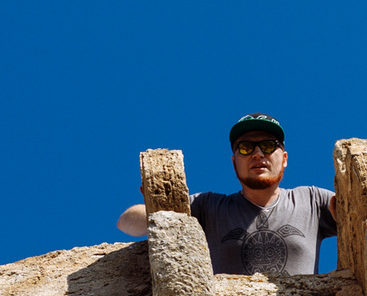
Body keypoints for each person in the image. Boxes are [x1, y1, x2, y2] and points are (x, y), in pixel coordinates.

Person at [115, 113, 339, 275]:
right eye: (245, 147)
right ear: (234, 162)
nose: (258, 153)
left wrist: (347, 211)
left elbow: (360, 219)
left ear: (285, 158)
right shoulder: (209, 208)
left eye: (269, 146)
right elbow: (126, 223)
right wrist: (158, 211)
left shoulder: (311, 201)